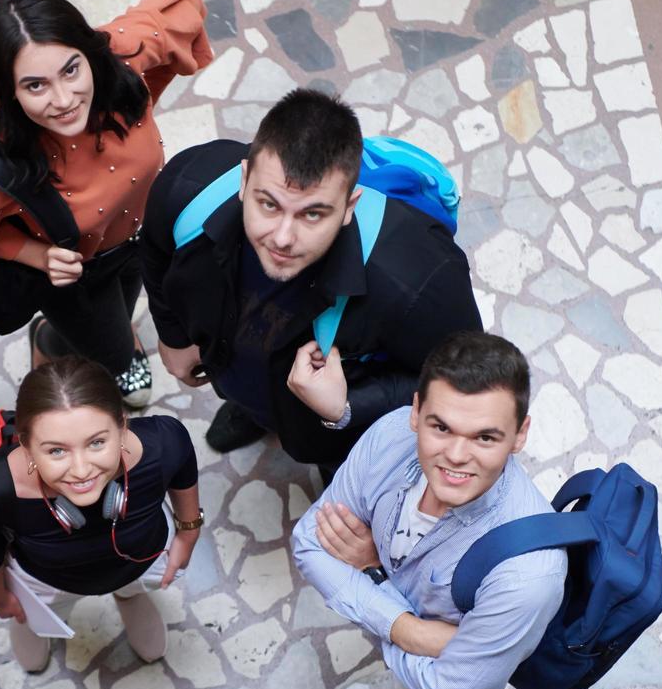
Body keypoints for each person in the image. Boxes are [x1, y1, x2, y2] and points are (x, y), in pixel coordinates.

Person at [139, 88, 482, 469]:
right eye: (268, 204)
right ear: (243, 180)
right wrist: (172, 335)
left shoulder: (419, 280)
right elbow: (154, 248)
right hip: (232, 363)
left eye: (312, 215)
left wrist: (347, 406)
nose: (283, 237)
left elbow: (465, 382)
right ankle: (253, 413)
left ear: (349, 207)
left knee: (335, 465)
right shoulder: (189, 186)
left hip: (332, 425)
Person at [0, 0, 212, 407]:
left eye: (71, 70)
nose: (63, 100)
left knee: (125, 309)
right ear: (10, 91)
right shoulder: (3, 157)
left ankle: (66, 337)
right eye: (35, 86)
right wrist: (35, 255)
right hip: (80, 277)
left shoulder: (121, 58)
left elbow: (178, 5)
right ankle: (64, 345)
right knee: (110, 350)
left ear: (90, 54)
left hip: (142, 241)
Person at [291, 332, 567, 689]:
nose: (455, 456)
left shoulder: (528, 576)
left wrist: (371, 580)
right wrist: (411, 632)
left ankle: (404, 687)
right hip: (422, 622)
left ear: (520, 434)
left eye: (484, 437)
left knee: (427, 680)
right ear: (416, 411)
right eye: (441, 428)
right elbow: (307, 544)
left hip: (451, 634)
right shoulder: (391, 434)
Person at [0, 357, 202, 672]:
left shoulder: (163, 441)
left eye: (97, 442)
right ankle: (38, 622)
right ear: (27, 446)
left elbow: (184, 470)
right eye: (56, 451)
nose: (80, 471)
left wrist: (188, 533)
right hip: (45, 581)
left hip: (139, 563)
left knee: (134, 585)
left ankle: (128, 596)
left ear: (122, 425)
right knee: (43, 612)